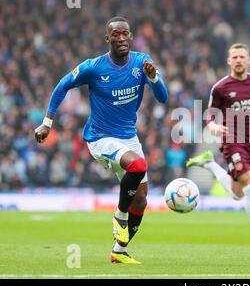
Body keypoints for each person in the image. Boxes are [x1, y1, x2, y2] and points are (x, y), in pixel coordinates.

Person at [34, 17, 168, 264]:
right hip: (100, 138)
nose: (120, 38)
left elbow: (162, 98)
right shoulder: (93, 67)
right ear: (107, 39)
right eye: (115, 35)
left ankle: (119, 250)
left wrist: (155, 78)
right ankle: (119, 216)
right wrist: (47, 122)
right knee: (138, 166)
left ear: (130, 36)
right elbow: (62, 85)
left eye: (124, 34)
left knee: (141, 199)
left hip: (129, 137)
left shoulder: (141, 62)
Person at [186, 43, 250, 246]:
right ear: (229, 61)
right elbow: (210, 113)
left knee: (237, 193)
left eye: (242, 56)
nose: (238, 60)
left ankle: (209, 164)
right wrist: (213, 126)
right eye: (234, 57)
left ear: (248, 59)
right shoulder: (220, 87)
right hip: (232, 141)